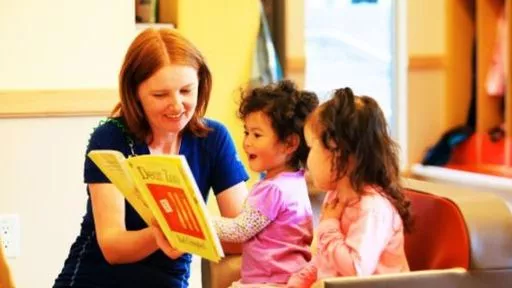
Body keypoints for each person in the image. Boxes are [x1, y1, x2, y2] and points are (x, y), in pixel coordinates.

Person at [53, 28, 249, 288]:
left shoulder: (213, 138)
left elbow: (242, 235)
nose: (177, 105)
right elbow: (113, 246)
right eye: (160, 95)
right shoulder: (110, 137)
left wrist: (190, 230)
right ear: (135, 94)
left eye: (186, 91)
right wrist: (167, 233)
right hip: (93, 278)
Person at [287, 88, 412, 288]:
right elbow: (326, 258)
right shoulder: (335, 197)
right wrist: (300, 280)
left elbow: (356, 270)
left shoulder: (373, 208)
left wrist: (329, 226)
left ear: (338, 152)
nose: (307, 159)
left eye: (311, 147)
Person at [212, 80, 319, 287]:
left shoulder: (273, 189)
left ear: (290, 143)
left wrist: (201, 221)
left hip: (270, 282)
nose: (247, 142)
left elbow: (240, 230)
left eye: (257, 134)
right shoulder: (295, 183)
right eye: (246, 132)